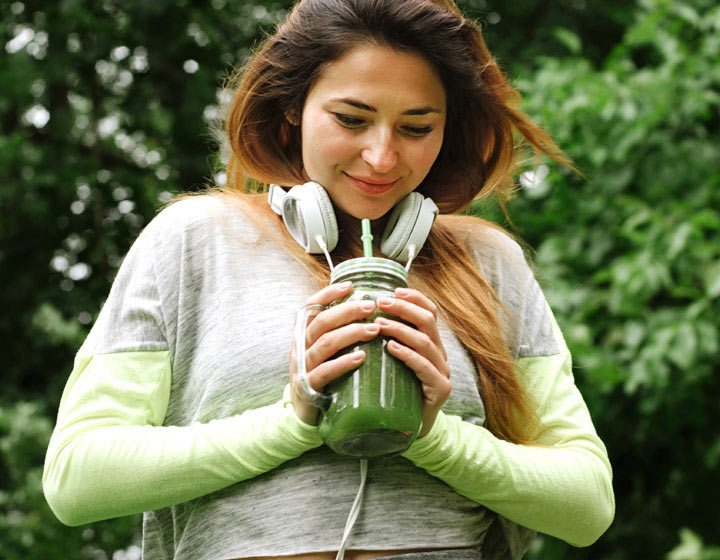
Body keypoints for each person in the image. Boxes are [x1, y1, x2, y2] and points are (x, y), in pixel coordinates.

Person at [43, 0, 615, 558]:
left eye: (417, 127)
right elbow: (77, 479)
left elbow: (588, 505)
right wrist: (292, 421)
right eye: (352, 119)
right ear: (294, 107)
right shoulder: (194, 240)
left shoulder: (489, 263)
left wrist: (431, 436)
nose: (383, 156)